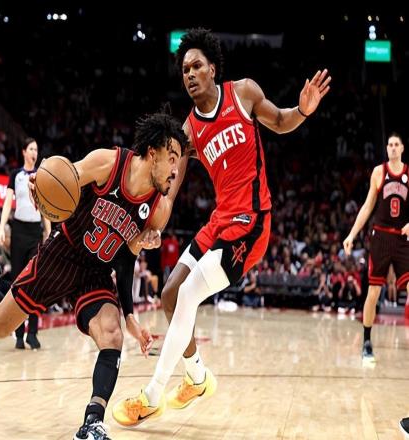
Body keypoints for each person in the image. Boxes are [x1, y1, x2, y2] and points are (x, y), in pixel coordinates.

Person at [113, 28, 331, 425]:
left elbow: (280, 120)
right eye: (184, 70)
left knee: (189, 294)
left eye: (196, 66)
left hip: (252, 222)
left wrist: (302, 111)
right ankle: (197, 378)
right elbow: (170, 188)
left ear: (212, 69)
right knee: (170, 294)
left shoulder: (243, 93)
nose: (190, 74)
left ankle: (152, 395)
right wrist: (153, 223)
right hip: (219, 220)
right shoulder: (188, 132)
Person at [0, 111, 188, 439]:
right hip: (63, 253)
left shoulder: (158, 210)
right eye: (172, 158)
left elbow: (125, 261)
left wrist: (130, 316)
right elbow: (65, 175)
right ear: (152, 153)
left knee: (112, 335)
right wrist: (42, 184)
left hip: (96, 273)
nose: (176, 169)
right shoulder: (109, 163)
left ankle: (92, 422)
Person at [343, 133, 409, 363]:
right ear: (387, 148)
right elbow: (367, 206)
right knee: (373, 292)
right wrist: (352, 234)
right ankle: (367, 341)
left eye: (396, 145)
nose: (393, 148)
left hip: (402, 239)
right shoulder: (379, 172)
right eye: (390, 145)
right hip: (380, 237)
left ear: (402, 148)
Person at [0, 137, 51, 350]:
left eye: (36, 149)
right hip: (18, 231)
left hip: (35, 231)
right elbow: (7, 203)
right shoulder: (15, 175)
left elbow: (45, 205)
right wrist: (2, 227)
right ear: (23, 152)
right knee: (18, 283)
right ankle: (19, 333)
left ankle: (33, 333)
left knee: (34, 281)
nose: (34, 152)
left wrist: (48, 232)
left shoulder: (41, 175)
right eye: (31, 149)